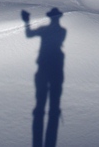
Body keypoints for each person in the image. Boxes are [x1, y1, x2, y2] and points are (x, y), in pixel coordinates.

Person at [21, 8, 67, 147]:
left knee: (46, 102)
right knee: (49, 102)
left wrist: (27, 21)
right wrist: (27, 21)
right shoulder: (60, 31)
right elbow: (30, 35)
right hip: (53, 68)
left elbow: (29, 34)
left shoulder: (53, 31)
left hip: (47, 68)